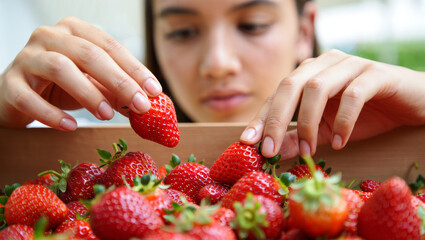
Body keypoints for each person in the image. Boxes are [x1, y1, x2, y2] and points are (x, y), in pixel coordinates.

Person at [1, 0, 425, 161]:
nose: (218, 64)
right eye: (183, 31)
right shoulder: (103, 145)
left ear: (303, 30)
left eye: (253, 24)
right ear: (156, 41)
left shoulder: (388, 121)